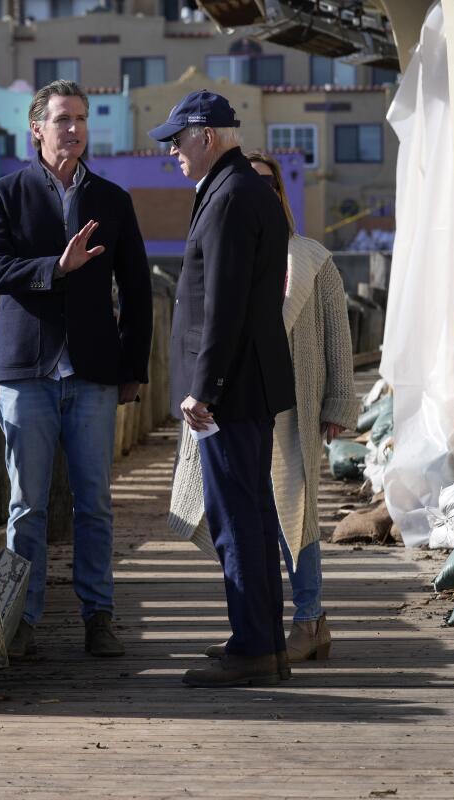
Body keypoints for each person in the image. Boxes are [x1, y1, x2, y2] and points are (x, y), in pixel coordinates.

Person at [0, 79, 153, 660]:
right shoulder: (2, 196)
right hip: (27, 372)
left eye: (80, 119)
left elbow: (137, 291)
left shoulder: (113, 200)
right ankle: (21, 619)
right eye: (62, 120)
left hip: (94, 375)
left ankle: (98, 616)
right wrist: (58, 266)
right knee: (26, 505)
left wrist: (134, 366)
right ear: (36, 129)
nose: (73, 129)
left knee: (95, 504)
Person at [169, 151, 357, 664]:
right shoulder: (226, 252)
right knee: (244, 515)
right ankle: (257, 630)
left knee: (294, 516)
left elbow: (337, 336)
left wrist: (339, 401)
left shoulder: (312, 258)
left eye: (270, 185)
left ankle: (309, 618)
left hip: (294, 402)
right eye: (250, 185)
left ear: (280, 195)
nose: (260, 194)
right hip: (236, 399)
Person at [150, 90, 295, 687]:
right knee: (252, 515)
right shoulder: (238, 188)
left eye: (178, 140)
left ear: (206, 134)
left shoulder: (231, 196)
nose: (173, 153)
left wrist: (202, 387)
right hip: (247, 383)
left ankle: (255, 649)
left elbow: (225, 305)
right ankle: (262, 641)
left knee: (237, 518)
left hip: (230, 390)